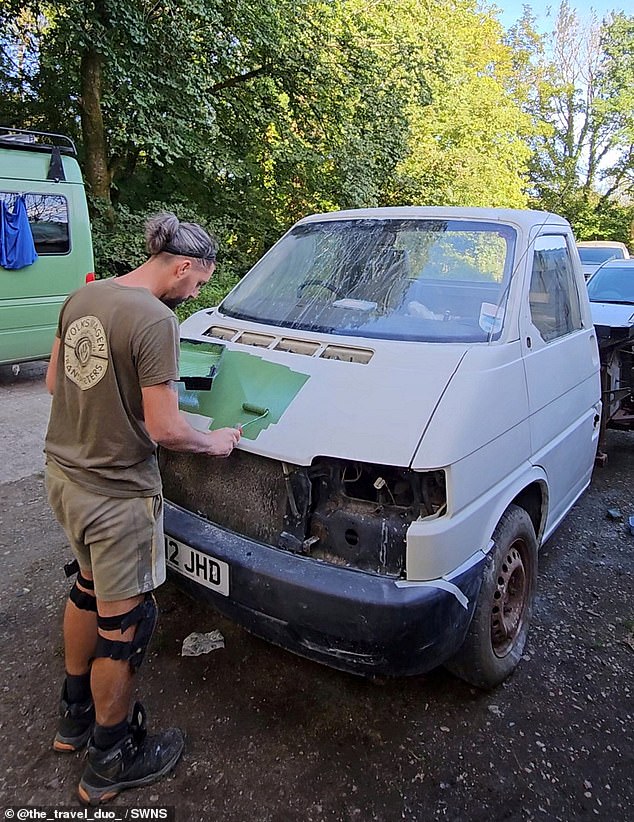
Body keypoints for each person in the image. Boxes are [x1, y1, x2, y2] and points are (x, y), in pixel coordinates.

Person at [44, 212, 241, 805]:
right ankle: (111, 758)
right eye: (200, 283)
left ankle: (72, 718)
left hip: (64, 478)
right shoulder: (156, 320)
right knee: (125, 627)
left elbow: (57, 381)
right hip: (115, 497)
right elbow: (164, 428)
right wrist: (216, 442)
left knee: (86, 589)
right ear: (183, 267)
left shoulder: (85, 294)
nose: (197, 293)